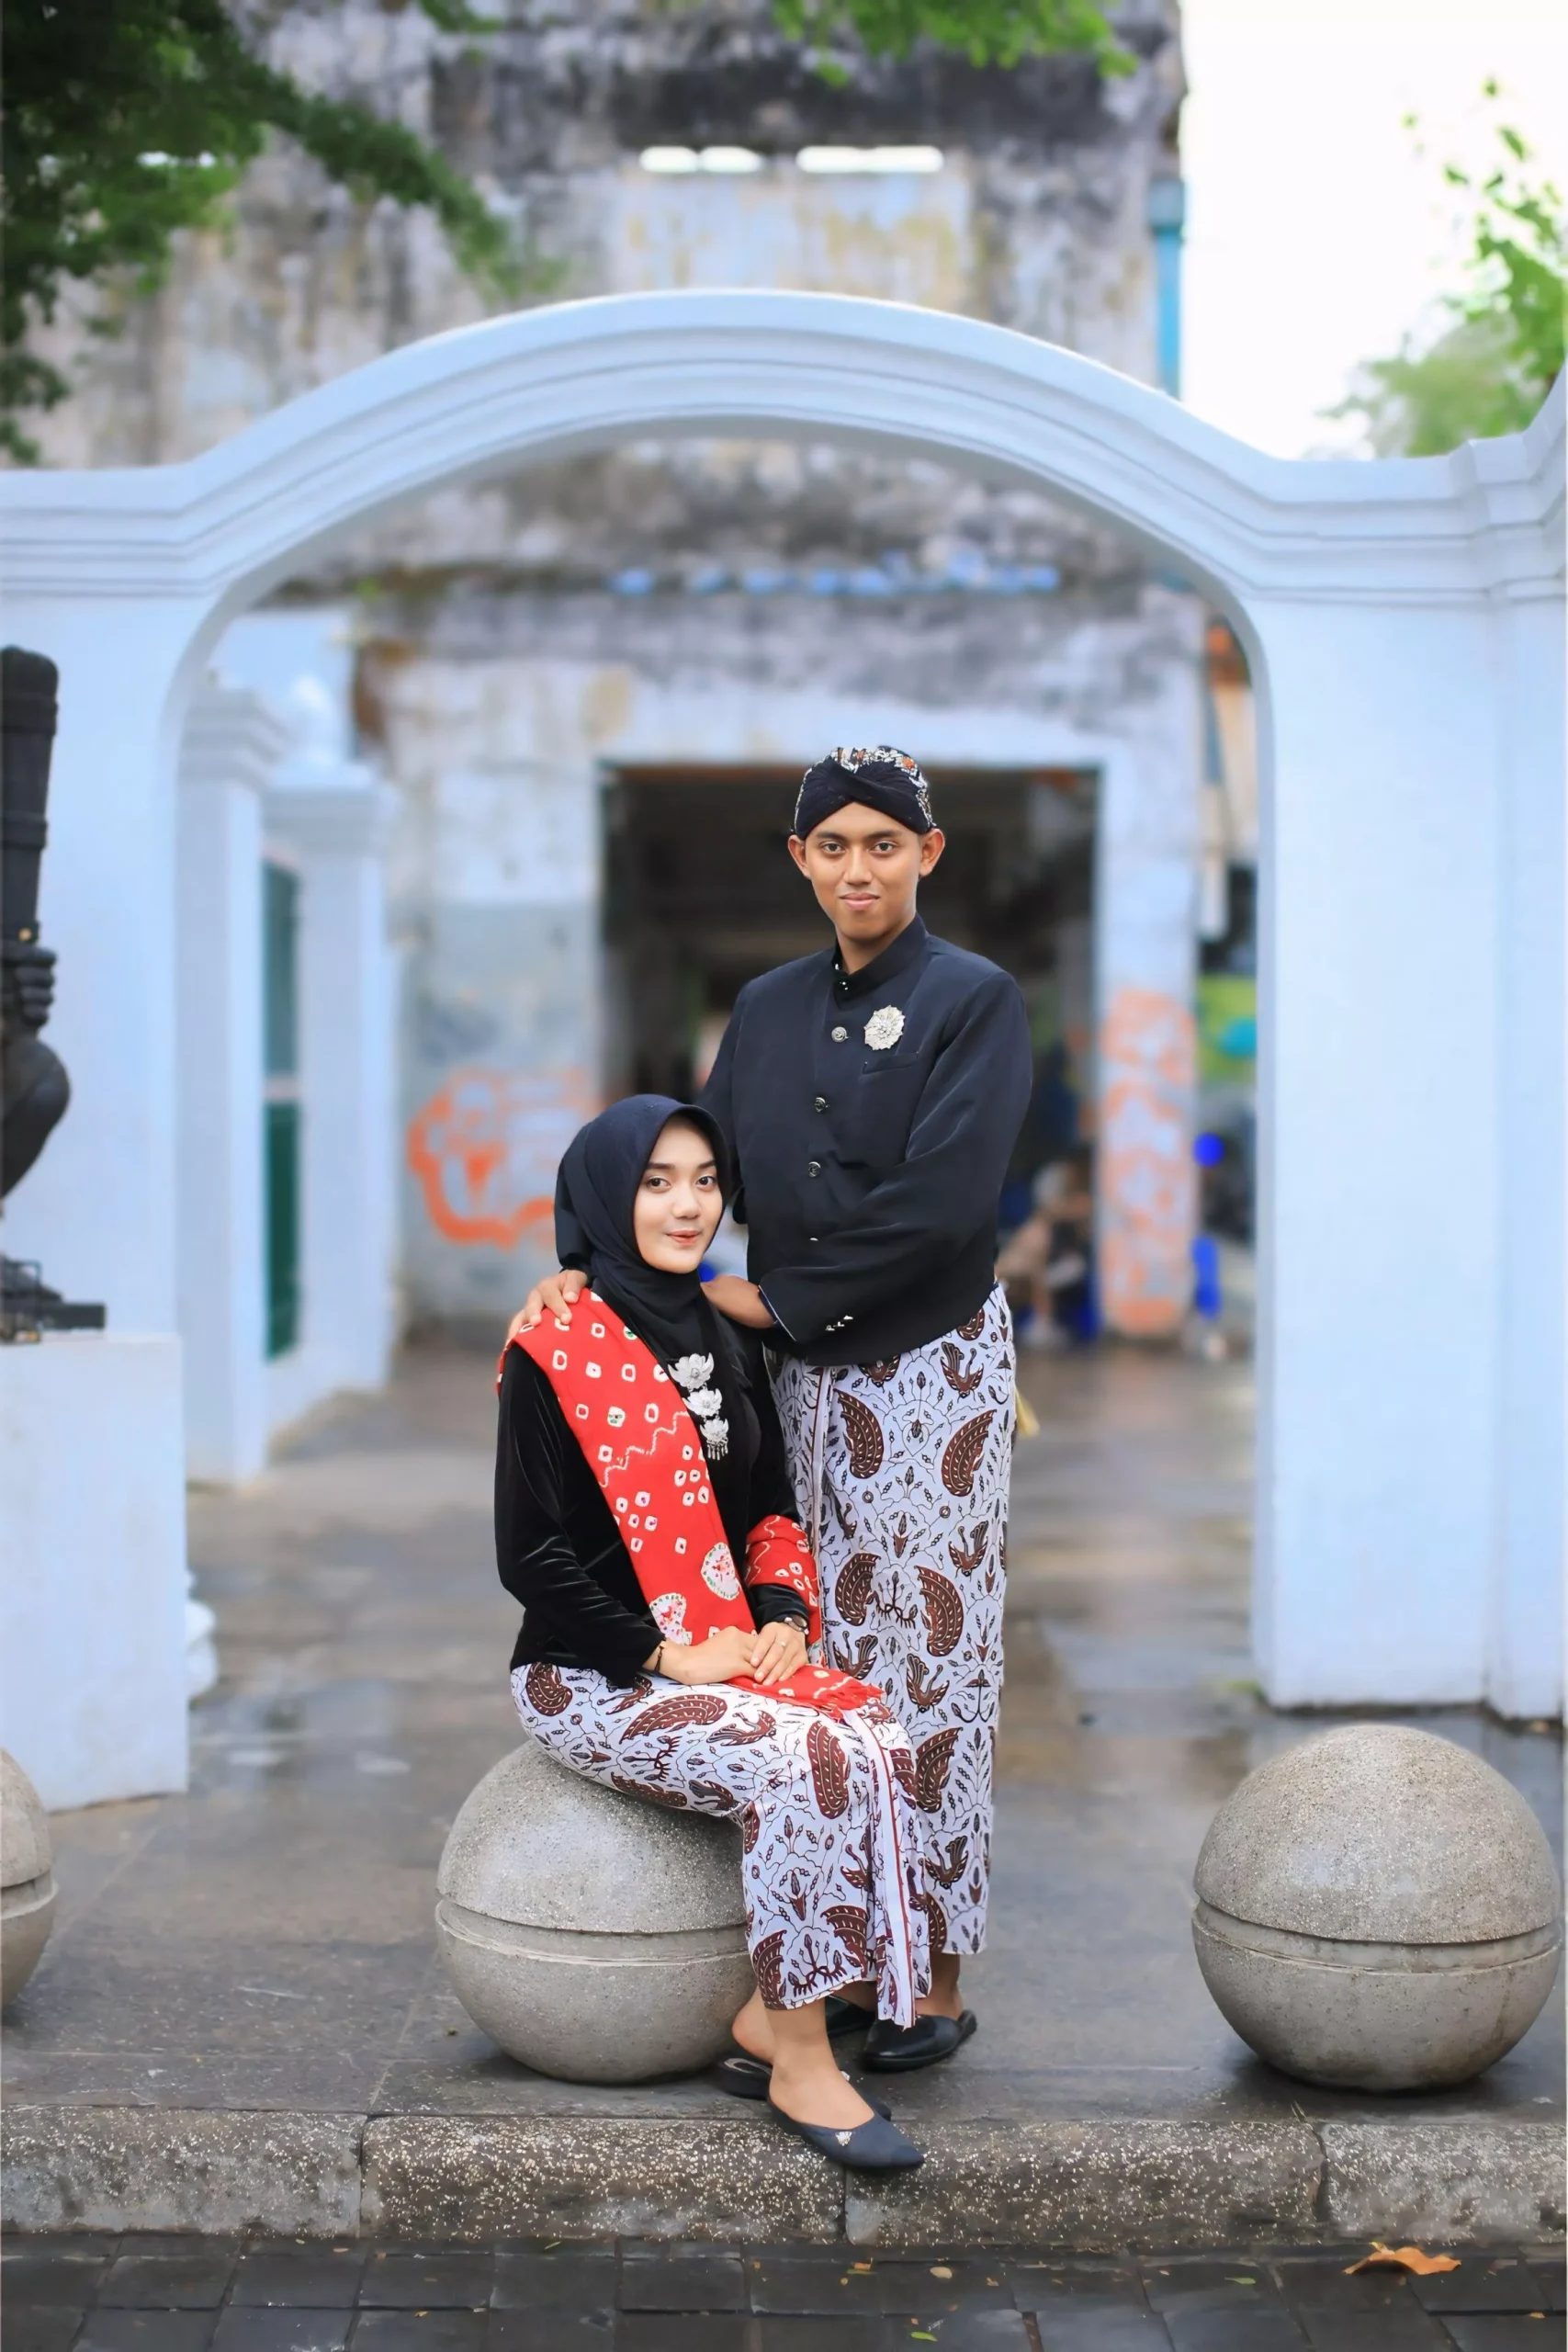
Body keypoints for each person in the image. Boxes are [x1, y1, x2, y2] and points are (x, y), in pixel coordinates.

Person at [513, 746, 1032, 2071]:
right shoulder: (767, 1003)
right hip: (790, 1379)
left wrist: (775, 1300)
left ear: (927, 853)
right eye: (832, 845)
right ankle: (835, 1961)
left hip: (927, 1371)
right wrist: (583, 1270)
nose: (859, 868)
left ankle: (932, 1980)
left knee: (933, 1661)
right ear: (800, 859)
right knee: (808, 1642)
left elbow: (945, 1204)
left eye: (883, 843)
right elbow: (692, 1165)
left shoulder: (973, 1000)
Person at [498, 1091, 929, 2171]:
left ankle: (771, 2012)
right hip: (587, 1671)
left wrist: (783, 1617)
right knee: (793, 1764)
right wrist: (666, 1653)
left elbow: (770, 1507)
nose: (687, 1206)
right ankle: (802, 2060)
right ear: (607, 1196)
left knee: (874, 1738)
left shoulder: (724, 1333)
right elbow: (529, 1555)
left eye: (702, 1181)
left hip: (725, 1646)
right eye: (656, 1183)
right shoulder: (555, 1341)